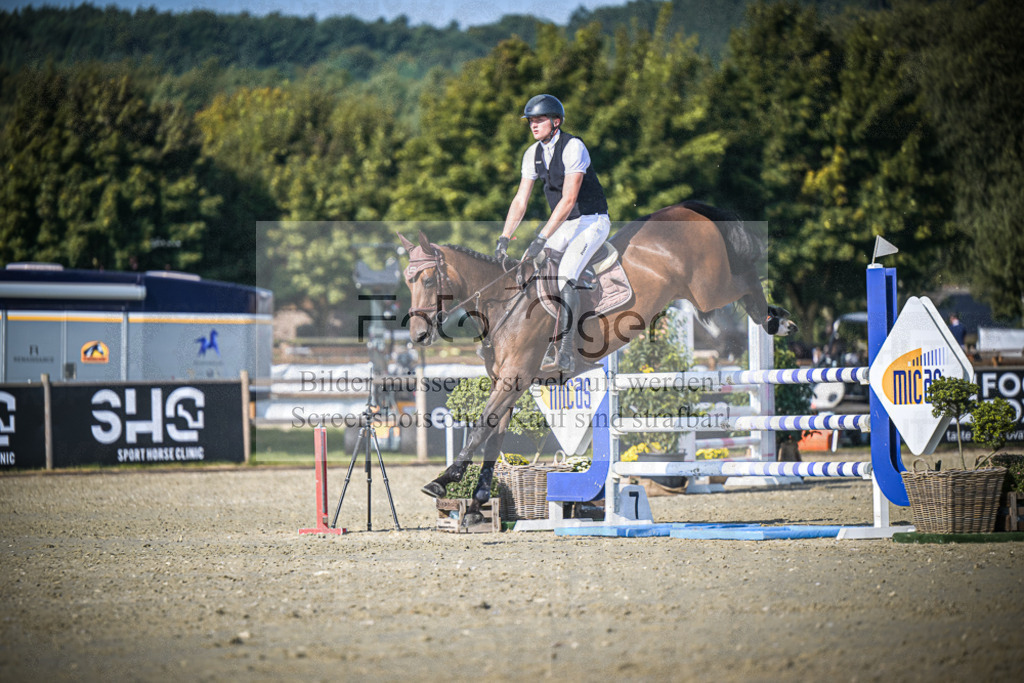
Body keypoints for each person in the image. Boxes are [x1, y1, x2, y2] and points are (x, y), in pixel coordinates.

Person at [495, 94, 611, 374]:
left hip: (591, 220)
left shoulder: (574, 147)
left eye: (539, 120)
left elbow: (569, 200)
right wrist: (504, 237)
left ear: (556, 122)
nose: (533, 125)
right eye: (530, 121)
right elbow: (520, 200)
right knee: (530, 266)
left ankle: (567, 352)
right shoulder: (532, 154)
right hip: (566, 224)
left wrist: (541, 237)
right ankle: (537, 338)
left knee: (566, 274)